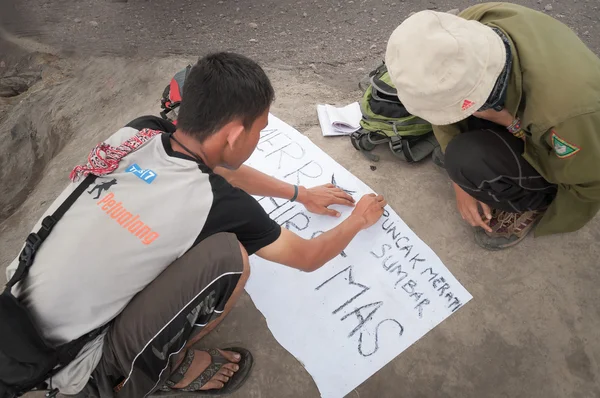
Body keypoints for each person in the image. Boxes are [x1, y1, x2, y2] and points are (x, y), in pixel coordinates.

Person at [5, 52, 387, 397]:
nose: (260, 137)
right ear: (235, 134)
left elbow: (219, 168)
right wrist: (357, 219)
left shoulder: (140, 132)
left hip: (14, 305)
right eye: (260, 129)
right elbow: (306, 256)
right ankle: (147, 374)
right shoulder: (212, 202)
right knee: (229, 256)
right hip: (74, 366)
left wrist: (299, 193)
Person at [384, 3, 600, 250]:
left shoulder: (568, 115)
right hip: (522, 108)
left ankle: (535, 202)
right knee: (460, 160)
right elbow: (442, 111)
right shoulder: (462, 34)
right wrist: (461, 184)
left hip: (579, 153)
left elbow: (586, 183)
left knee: (465, 159)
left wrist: (511, 123)